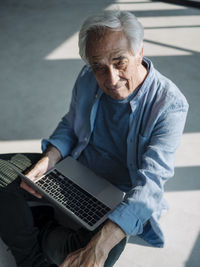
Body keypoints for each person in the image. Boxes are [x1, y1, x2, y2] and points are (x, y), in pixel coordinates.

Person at [0, 10, 188, 267]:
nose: (111, 80)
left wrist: (99, 246)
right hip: (72, 168)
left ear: (139, 53)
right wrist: (49, 159)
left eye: (119, 62)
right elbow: (70, 125)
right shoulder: (88, 76)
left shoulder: (170, 106)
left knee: (98, 255)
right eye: (98, 66)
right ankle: (33, 256)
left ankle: (41, 229)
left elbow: (151, 184)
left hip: (116, 197)